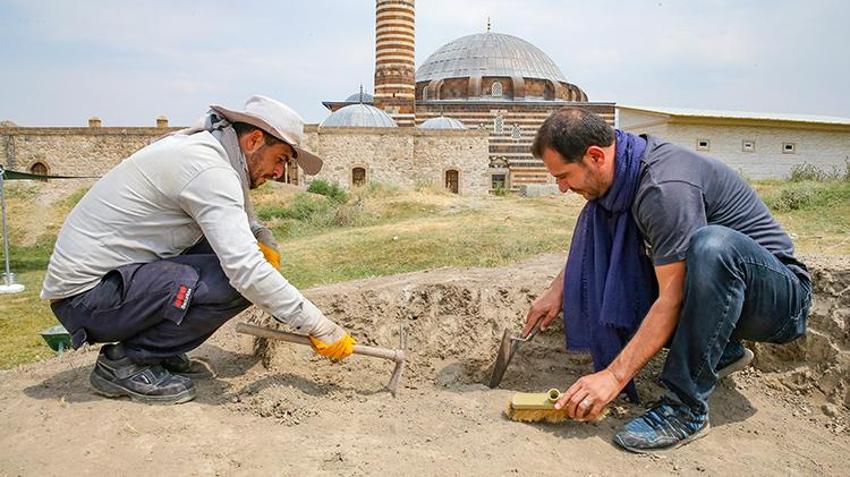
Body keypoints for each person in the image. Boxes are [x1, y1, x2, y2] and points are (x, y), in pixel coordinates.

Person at [523, 108, 811, 452]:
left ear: (596, 156)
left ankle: (685, 407)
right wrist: (557, 292)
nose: (562, 188)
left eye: (564, 176)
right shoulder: (624, 175)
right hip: (729, 297)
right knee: (648, 261)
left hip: (779, 303)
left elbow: (671, 297)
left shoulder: (663, 187)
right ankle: (723, 351)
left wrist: (614, 377)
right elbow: (612, 251)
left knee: (711, 247)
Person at [41, 95, 356, 404]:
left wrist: (260, 234)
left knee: (236, 260)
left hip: (110, 285)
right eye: (281, 159)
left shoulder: (208, 151)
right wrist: (320, 326)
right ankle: (126, 361)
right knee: (237, 281)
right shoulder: (208, 169)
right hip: (86, 299)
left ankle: (157, 349)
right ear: (254, 140)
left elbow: (237, 216)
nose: (279, 172)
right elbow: (245, 270)